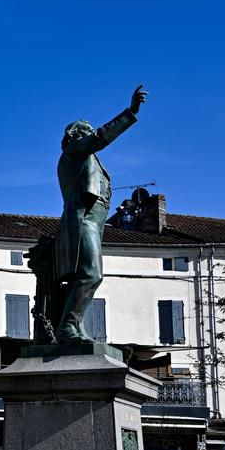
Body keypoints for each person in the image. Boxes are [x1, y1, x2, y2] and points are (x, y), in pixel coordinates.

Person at [52, 85, 148, 342]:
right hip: (82, 222)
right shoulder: (73, 152)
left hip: (94, 224)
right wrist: (131, 112)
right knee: (92, 274)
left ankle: (73, 326)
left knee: (87, 277)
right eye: (87, 131)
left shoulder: (86, 159)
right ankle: (67, 328)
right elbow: (100, 138)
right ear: (75, 136)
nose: (91, 134)